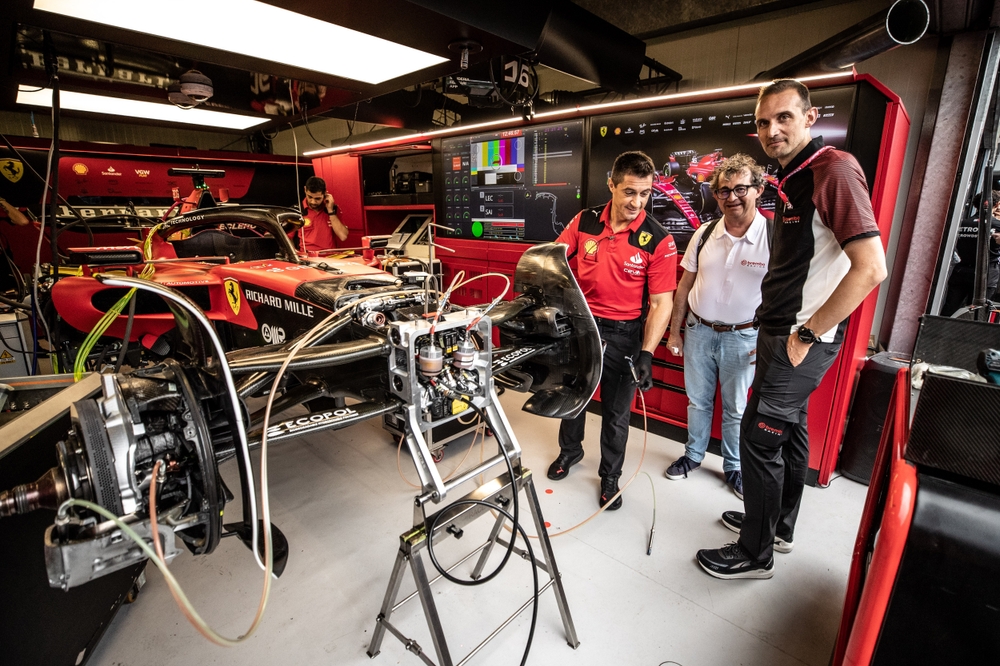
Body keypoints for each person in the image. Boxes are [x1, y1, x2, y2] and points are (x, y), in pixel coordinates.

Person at [697, 79, 887, 579]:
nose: (772, 129)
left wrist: (806, 335)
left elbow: (870, 268)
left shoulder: (834, 170)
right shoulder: (790, 175)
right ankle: (777, 526)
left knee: (759, 442)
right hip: (783, 334)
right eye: (763, 121)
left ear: (810, 117)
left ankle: (753, 554)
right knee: (791, 431)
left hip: (800, 339)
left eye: (784, 117)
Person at [547, 151, 677, 510]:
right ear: (612, 186)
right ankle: (569, 453)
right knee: (573, 398)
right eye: (630, 192)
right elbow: (554, 259)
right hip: (581, 326)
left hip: (624, 335)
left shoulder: (659, 240)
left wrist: (648, 352)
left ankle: (610, 476)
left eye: (645, 193)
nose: (637, 202)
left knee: (617, 413)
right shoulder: (584, 221)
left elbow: (661, 303)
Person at [664, 154, 770, 500]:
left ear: (758, 189)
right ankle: (693, 455)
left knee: (736, 407)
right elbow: (684, 286)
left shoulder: (773, 236)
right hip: (699, 330)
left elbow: (784, 295)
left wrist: (766, 340)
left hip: (745, 338)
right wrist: (675, 331)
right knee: (698, 401)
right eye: (724, 191)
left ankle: (733, 466)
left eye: (741, 188)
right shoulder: (704, 232)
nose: (732, 197)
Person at [296, 176, 348, 253]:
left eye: (317, 198)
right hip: (307, 258)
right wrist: (294, 254)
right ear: (305, 190)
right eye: (309, 197)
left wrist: (330, 211)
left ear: (325, 194)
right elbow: (286, 237)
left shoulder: (333, 209)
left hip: (331, 257)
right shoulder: (297, 210)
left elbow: (343, 236)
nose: (313, 202)